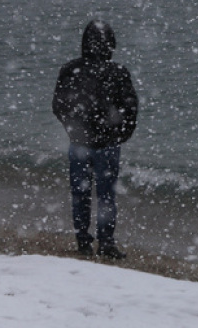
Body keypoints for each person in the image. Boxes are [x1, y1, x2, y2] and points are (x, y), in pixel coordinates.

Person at [53, 20, 139, 259]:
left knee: (81, 193)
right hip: (106, 145)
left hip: (81, 143)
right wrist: (119, 134)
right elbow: (130, 109)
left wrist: (75, 130)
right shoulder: (118, 72)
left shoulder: (71, 69)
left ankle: (84, 241)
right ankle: (106, 243)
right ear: (111, 44)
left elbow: (59, 106)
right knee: (106, 196)